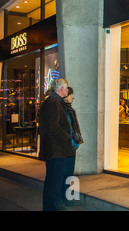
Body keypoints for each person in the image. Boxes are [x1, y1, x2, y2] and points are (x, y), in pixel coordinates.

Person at [39, 78, 74, 211]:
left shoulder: (54, 102)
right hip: (56, 151)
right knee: (53, 184)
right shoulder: (52, 103)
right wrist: (67, 137)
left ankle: (51, 207)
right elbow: (52, 126)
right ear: (60, 89)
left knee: (54, 183)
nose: (68, 90)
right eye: (66, 88)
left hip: (57, 151)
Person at [61, 87, 83, 208]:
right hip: (68, 146)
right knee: (66, 173)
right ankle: (63, 198)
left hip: (69, 145)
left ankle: (65, 197)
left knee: (67, 173)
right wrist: (72, 142)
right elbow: (68, 128)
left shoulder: (66, 109)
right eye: (71, 95)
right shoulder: (65, 110)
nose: (73, 97)